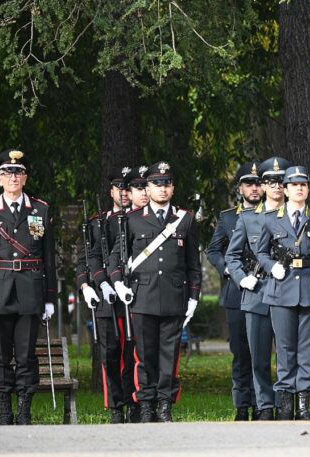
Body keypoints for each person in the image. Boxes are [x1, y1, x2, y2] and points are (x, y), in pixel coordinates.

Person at [108, 161, 202, 423]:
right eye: (157, 184)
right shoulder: (132, 220)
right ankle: (146, 402)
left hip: (174, 297)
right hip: (142, 297)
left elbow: (193, 264)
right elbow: (116, 258)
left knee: (169, 355)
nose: (162, 189)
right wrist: (118, 283)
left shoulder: (185, 219)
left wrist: (194, 296)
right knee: (145, 354)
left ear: (173, 188)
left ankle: (165, 404)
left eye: (167, 184)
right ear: (147, 188)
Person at [0, 149, 57, 425]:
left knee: (26, 356)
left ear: (25, 177)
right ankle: (4, 410)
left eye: (18, 172)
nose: (13, 177)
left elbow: (48, 257)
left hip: (31, 291)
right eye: (7, 172)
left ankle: (24, 410)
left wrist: (50, 298)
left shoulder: (40, 209)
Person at [255, 165, 310, 420]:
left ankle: (303, 406)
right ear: (286, 189)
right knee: (286, 349)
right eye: (294, 184)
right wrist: (271, 266)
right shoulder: (270, 219)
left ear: (308, 189)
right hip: (281, 290)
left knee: (307, 351)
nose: (299, 188)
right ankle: (286, 405)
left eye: (303, 184)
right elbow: (261, 252)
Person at [226, 156, 292, 421]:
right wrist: (242, 278)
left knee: (289, 356)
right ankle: (265, 405)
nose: (276, 186)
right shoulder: (248, 219)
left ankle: (289, 405)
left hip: (289, 293)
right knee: (259, 357)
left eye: (281, 181)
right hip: (258, 293)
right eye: (270, 181)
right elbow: (231, 256)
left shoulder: (296, 215)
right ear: (263, 186)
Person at [76, 166, 140, 423]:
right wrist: (87, 286)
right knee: (110, 355)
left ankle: (134, 403)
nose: (124, 193)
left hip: (134, 295)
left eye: (128, 188)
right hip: (105, 298)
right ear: (111, 190)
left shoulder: (140, 219)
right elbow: (84, 260)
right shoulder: (97, 222)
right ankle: (115, 406)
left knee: (133, 354)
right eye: (120, 188)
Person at [207, 161, 263, 421]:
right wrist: (229, 270)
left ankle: (264, 404)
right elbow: (214, 250)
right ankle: (242, 404)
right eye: (248, 183)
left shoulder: (273, 213)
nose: (254, 188)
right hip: (237, 292)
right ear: (240, 188)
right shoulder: (229, 216)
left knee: (262, 351)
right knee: (241, 352)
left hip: (264, 288)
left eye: (257, 183)